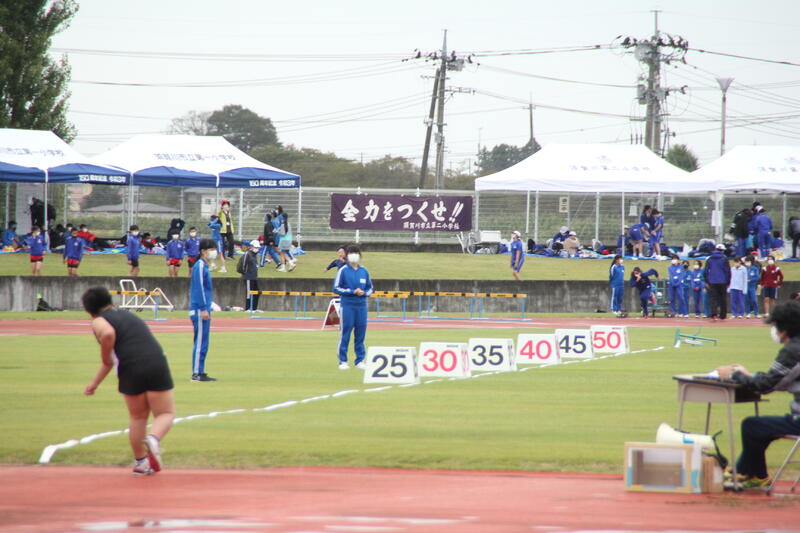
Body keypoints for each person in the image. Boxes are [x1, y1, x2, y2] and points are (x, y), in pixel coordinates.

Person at [80, 287, 175, 476]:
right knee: (165, 413)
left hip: (129, 367)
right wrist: (95, 383)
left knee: (138, 417)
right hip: (155, 361)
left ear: (89, 311)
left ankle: (141, 463)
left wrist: (95, 381)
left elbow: (108, 338)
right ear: (111, 301)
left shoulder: (98, 321)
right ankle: (153, 439)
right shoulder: (129, 316)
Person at [716, 301, 800, 489]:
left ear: (784, 328)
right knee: (759, 430)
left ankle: (746, 473)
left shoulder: (793, 351)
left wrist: (733, 375)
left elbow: (765, 386)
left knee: (752, 426)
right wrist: (749, 375)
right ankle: (751, 473)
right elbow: (780, 380)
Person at [333, 244, 373, 370]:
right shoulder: (343, 270)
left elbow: (370, 288)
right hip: (347, 305)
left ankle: (360, 360)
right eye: (351, 253)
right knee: (345, 333)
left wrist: (364, 293)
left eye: (356, 253)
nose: (354, 255)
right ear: (347, 256)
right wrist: (352, 291)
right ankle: (343, 361)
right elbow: (336, 288)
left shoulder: (364, 271)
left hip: (361, 306)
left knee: (360, 334)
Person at [189, 239, 218, 382]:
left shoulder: (204, 266)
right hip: (199, 309)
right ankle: (196, 373)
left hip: (204, 308)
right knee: (200, 342)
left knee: (204, 342)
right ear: (203, 251)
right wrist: (203, 308)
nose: (214, 252)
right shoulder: (200, 266)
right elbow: (199, 288)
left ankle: (200, 370)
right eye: (211, 249)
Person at [704, 243, 731, 321]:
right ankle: (723, 315)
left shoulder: (710, 258)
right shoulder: (724, 258)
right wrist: (728, 281)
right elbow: (727, 271)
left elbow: (706, 271)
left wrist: (707, 281)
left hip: (712, 281)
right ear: (722, 251)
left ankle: (713, 314)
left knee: (713, 298)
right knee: (723, 298)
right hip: (723, 281)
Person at [239, 240, 261, 311]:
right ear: (251, 247)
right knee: (249, 293)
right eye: (256, 247)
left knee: (257, 292)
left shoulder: (255, 255)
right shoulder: (247, 254)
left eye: (258, 247)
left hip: (254, 277)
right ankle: (247, 308)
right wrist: (244, 273)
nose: (257, 249)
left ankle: (254, 308)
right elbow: (243, 265)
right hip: (248, 277)